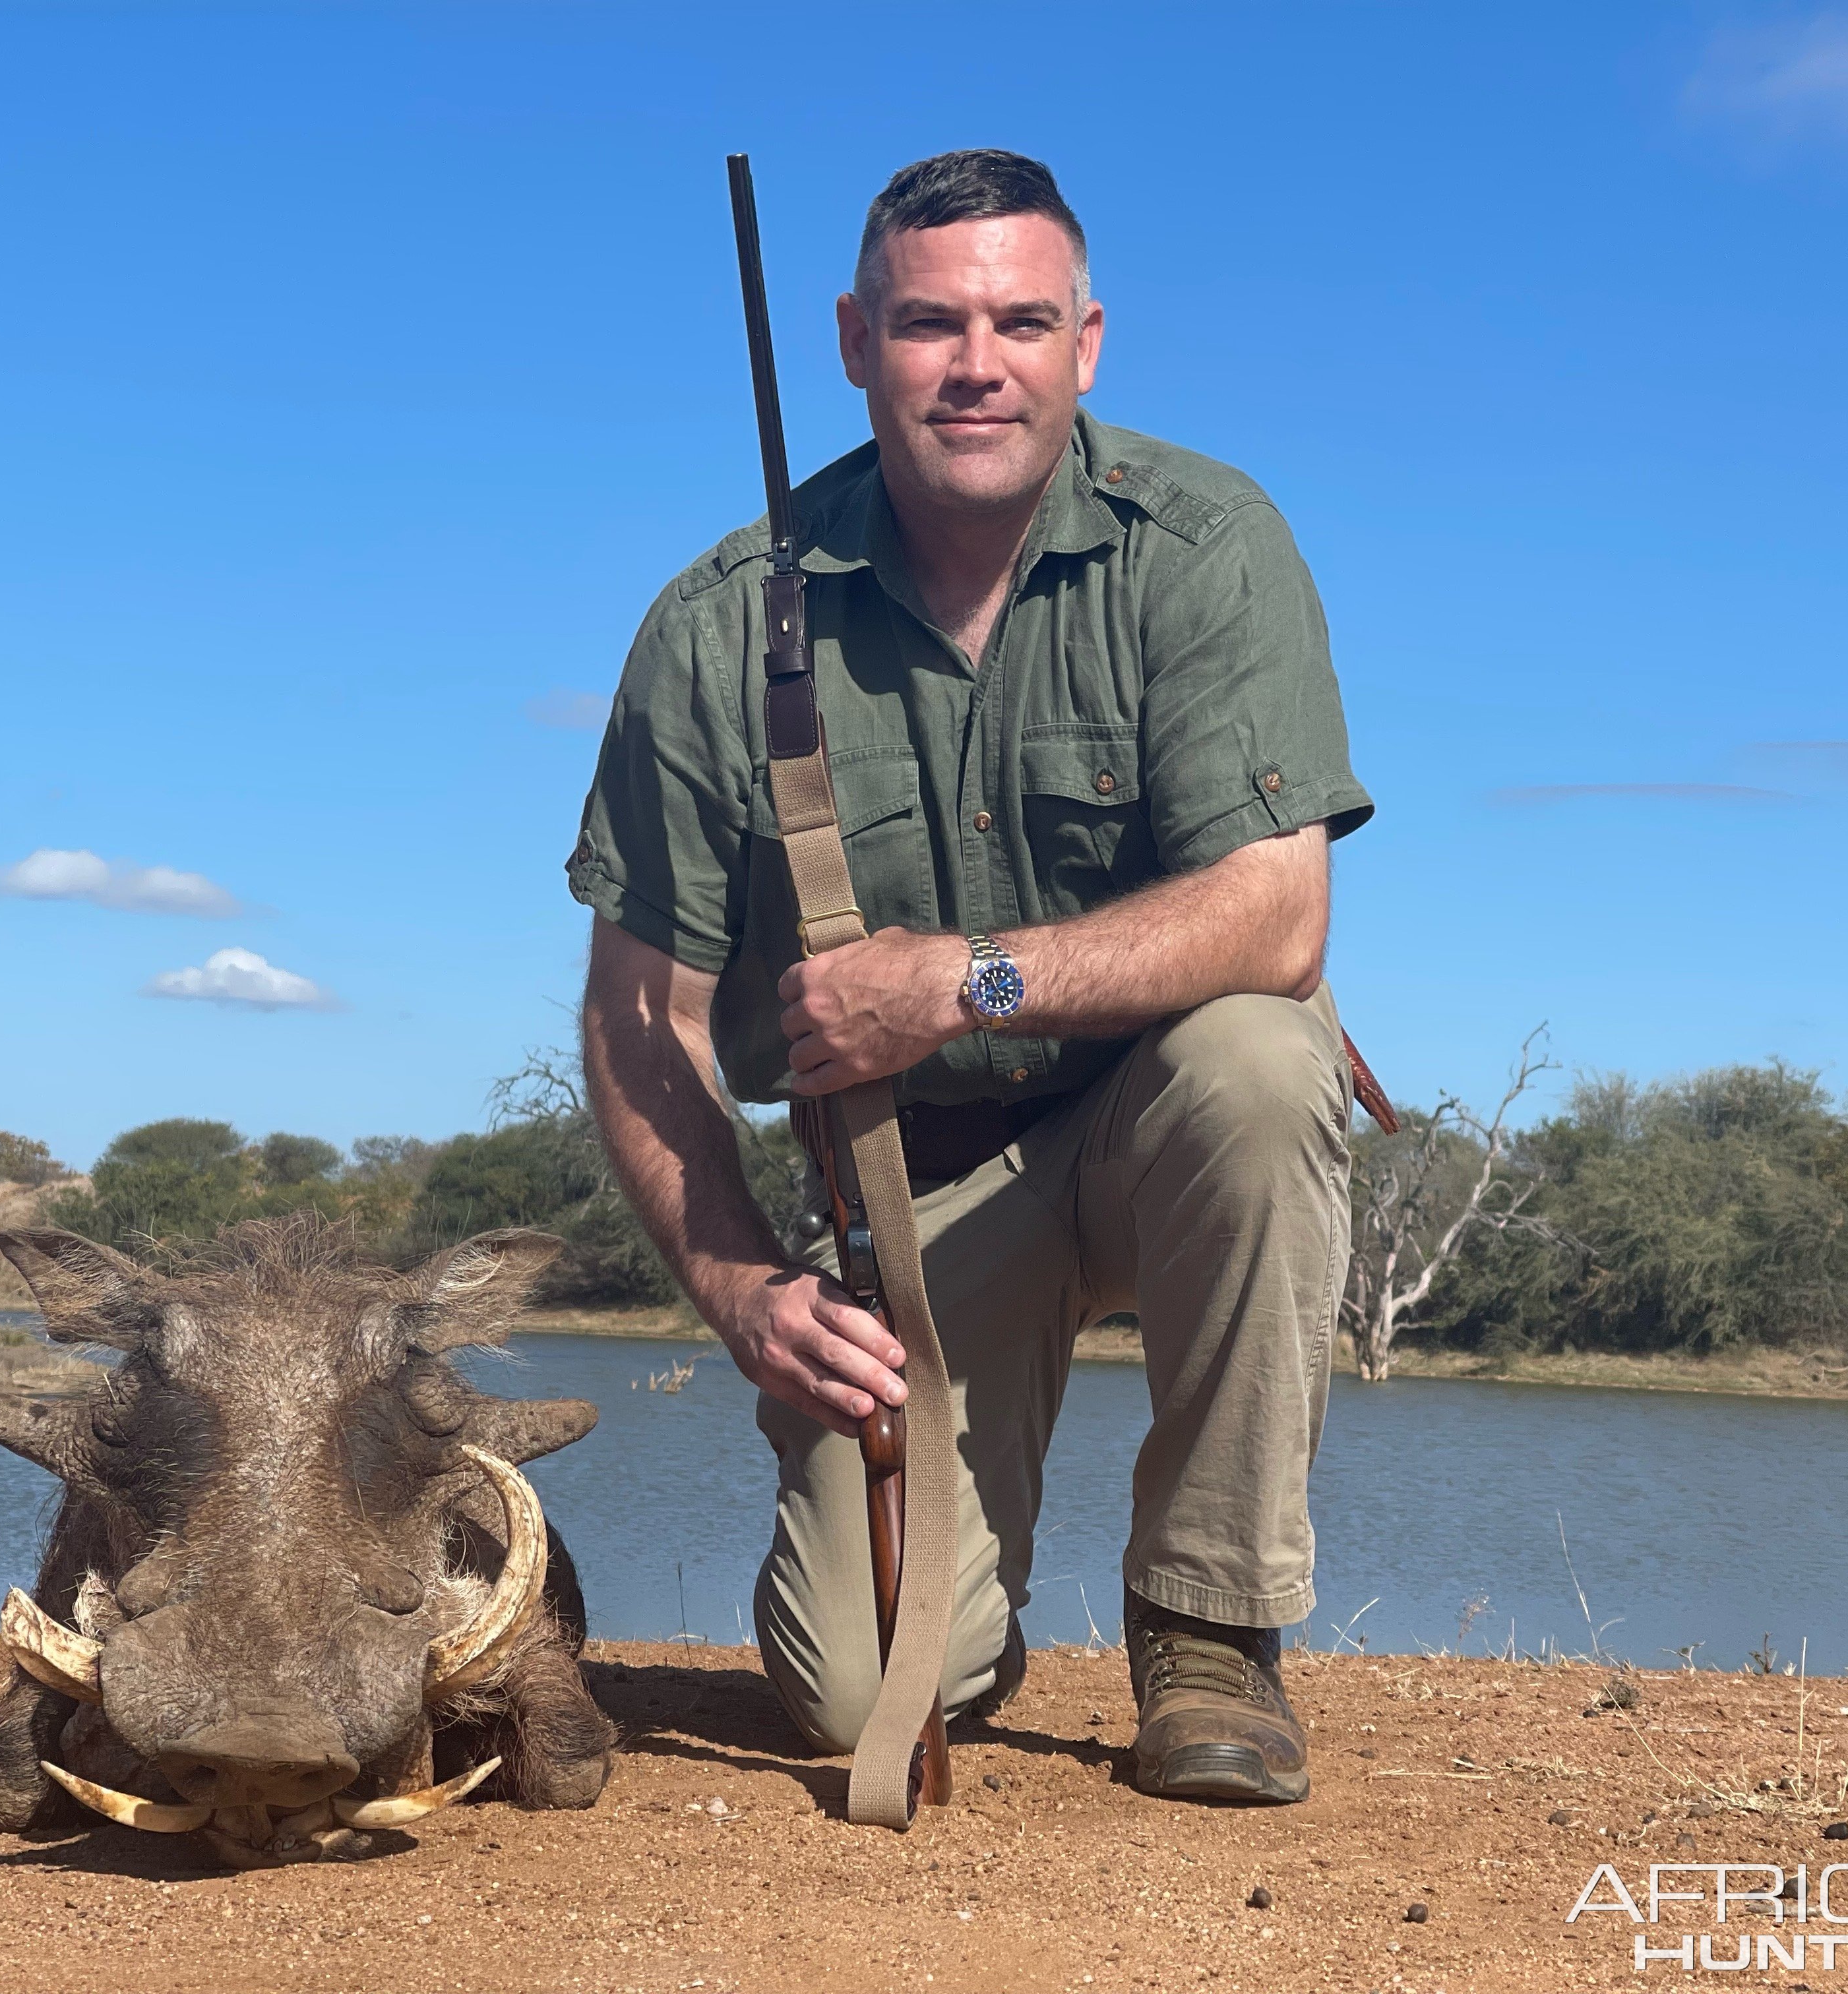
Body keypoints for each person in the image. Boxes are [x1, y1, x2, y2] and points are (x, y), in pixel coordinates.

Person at [569, 148, 1372, 1804]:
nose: (976, 363)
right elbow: (637, 1014)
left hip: (1163, 1126)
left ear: (1090, 341)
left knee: (1263, 1061)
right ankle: (962, 1612)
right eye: (930, 323)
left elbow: (1277, 916)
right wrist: (742, 1293)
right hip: (912, 1201)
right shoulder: (723, 621)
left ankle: (1209, 1632)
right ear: (857, 340)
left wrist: (964, 986)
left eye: (1021, 320)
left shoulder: (1207, 543)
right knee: (863, 1687)